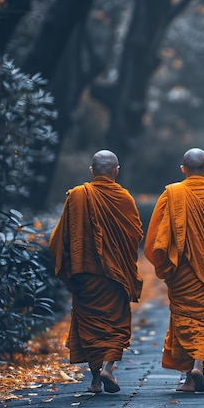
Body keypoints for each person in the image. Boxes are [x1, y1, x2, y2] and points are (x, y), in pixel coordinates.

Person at [49, 150, 143, 394]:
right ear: (116, 171)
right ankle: (108, 368)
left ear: (92, 171)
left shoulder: (77, 196)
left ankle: (94, 380)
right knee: (115, 324)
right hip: (115, 275)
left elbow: (59, 238)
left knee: (89, 325)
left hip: (85, 274)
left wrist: (67, 268)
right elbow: (135, 236)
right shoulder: (124, 198)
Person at [144, 148, 204, 392]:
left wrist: (164, 263)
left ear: (183, 169)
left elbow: (156, 237)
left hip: (181, 271)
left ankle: (189, 375)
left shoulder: (172, 194)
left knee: (184, 319)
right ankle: (197, 367)